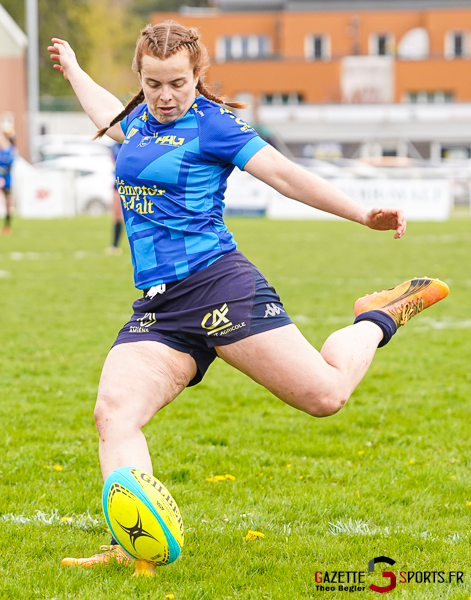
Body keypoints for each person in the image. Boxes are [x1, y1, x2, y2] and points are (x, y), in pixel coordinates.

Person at [48, 21, 450, 576]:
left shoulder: (214, 127)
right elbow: (106, 113)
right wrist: (73, 69)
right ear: (140, 78)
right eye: (153, 83)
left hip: (220, 285)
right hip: (161, 309)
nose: (165, 96)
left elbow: (284, 176)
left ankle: (376, 315)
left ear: (197, 77)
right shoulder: (137, 118)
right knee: (114, 413)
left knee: (326, 394)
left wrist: (361, 214)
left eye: (177, 84)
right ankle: (130, 546)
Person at [0, 128, 17, 236]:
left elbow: (9, 165)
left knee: (7, 203)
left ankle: (7, 226)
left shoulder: (10, 150)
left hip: (7, 180)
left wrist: (2, 178)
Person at [107, 141, 124, 255]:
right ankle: (114, 246)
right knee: (117, 216)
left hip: (127, 186)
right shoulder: (114, 146)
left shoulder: (128, 142)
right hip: (117, 185)